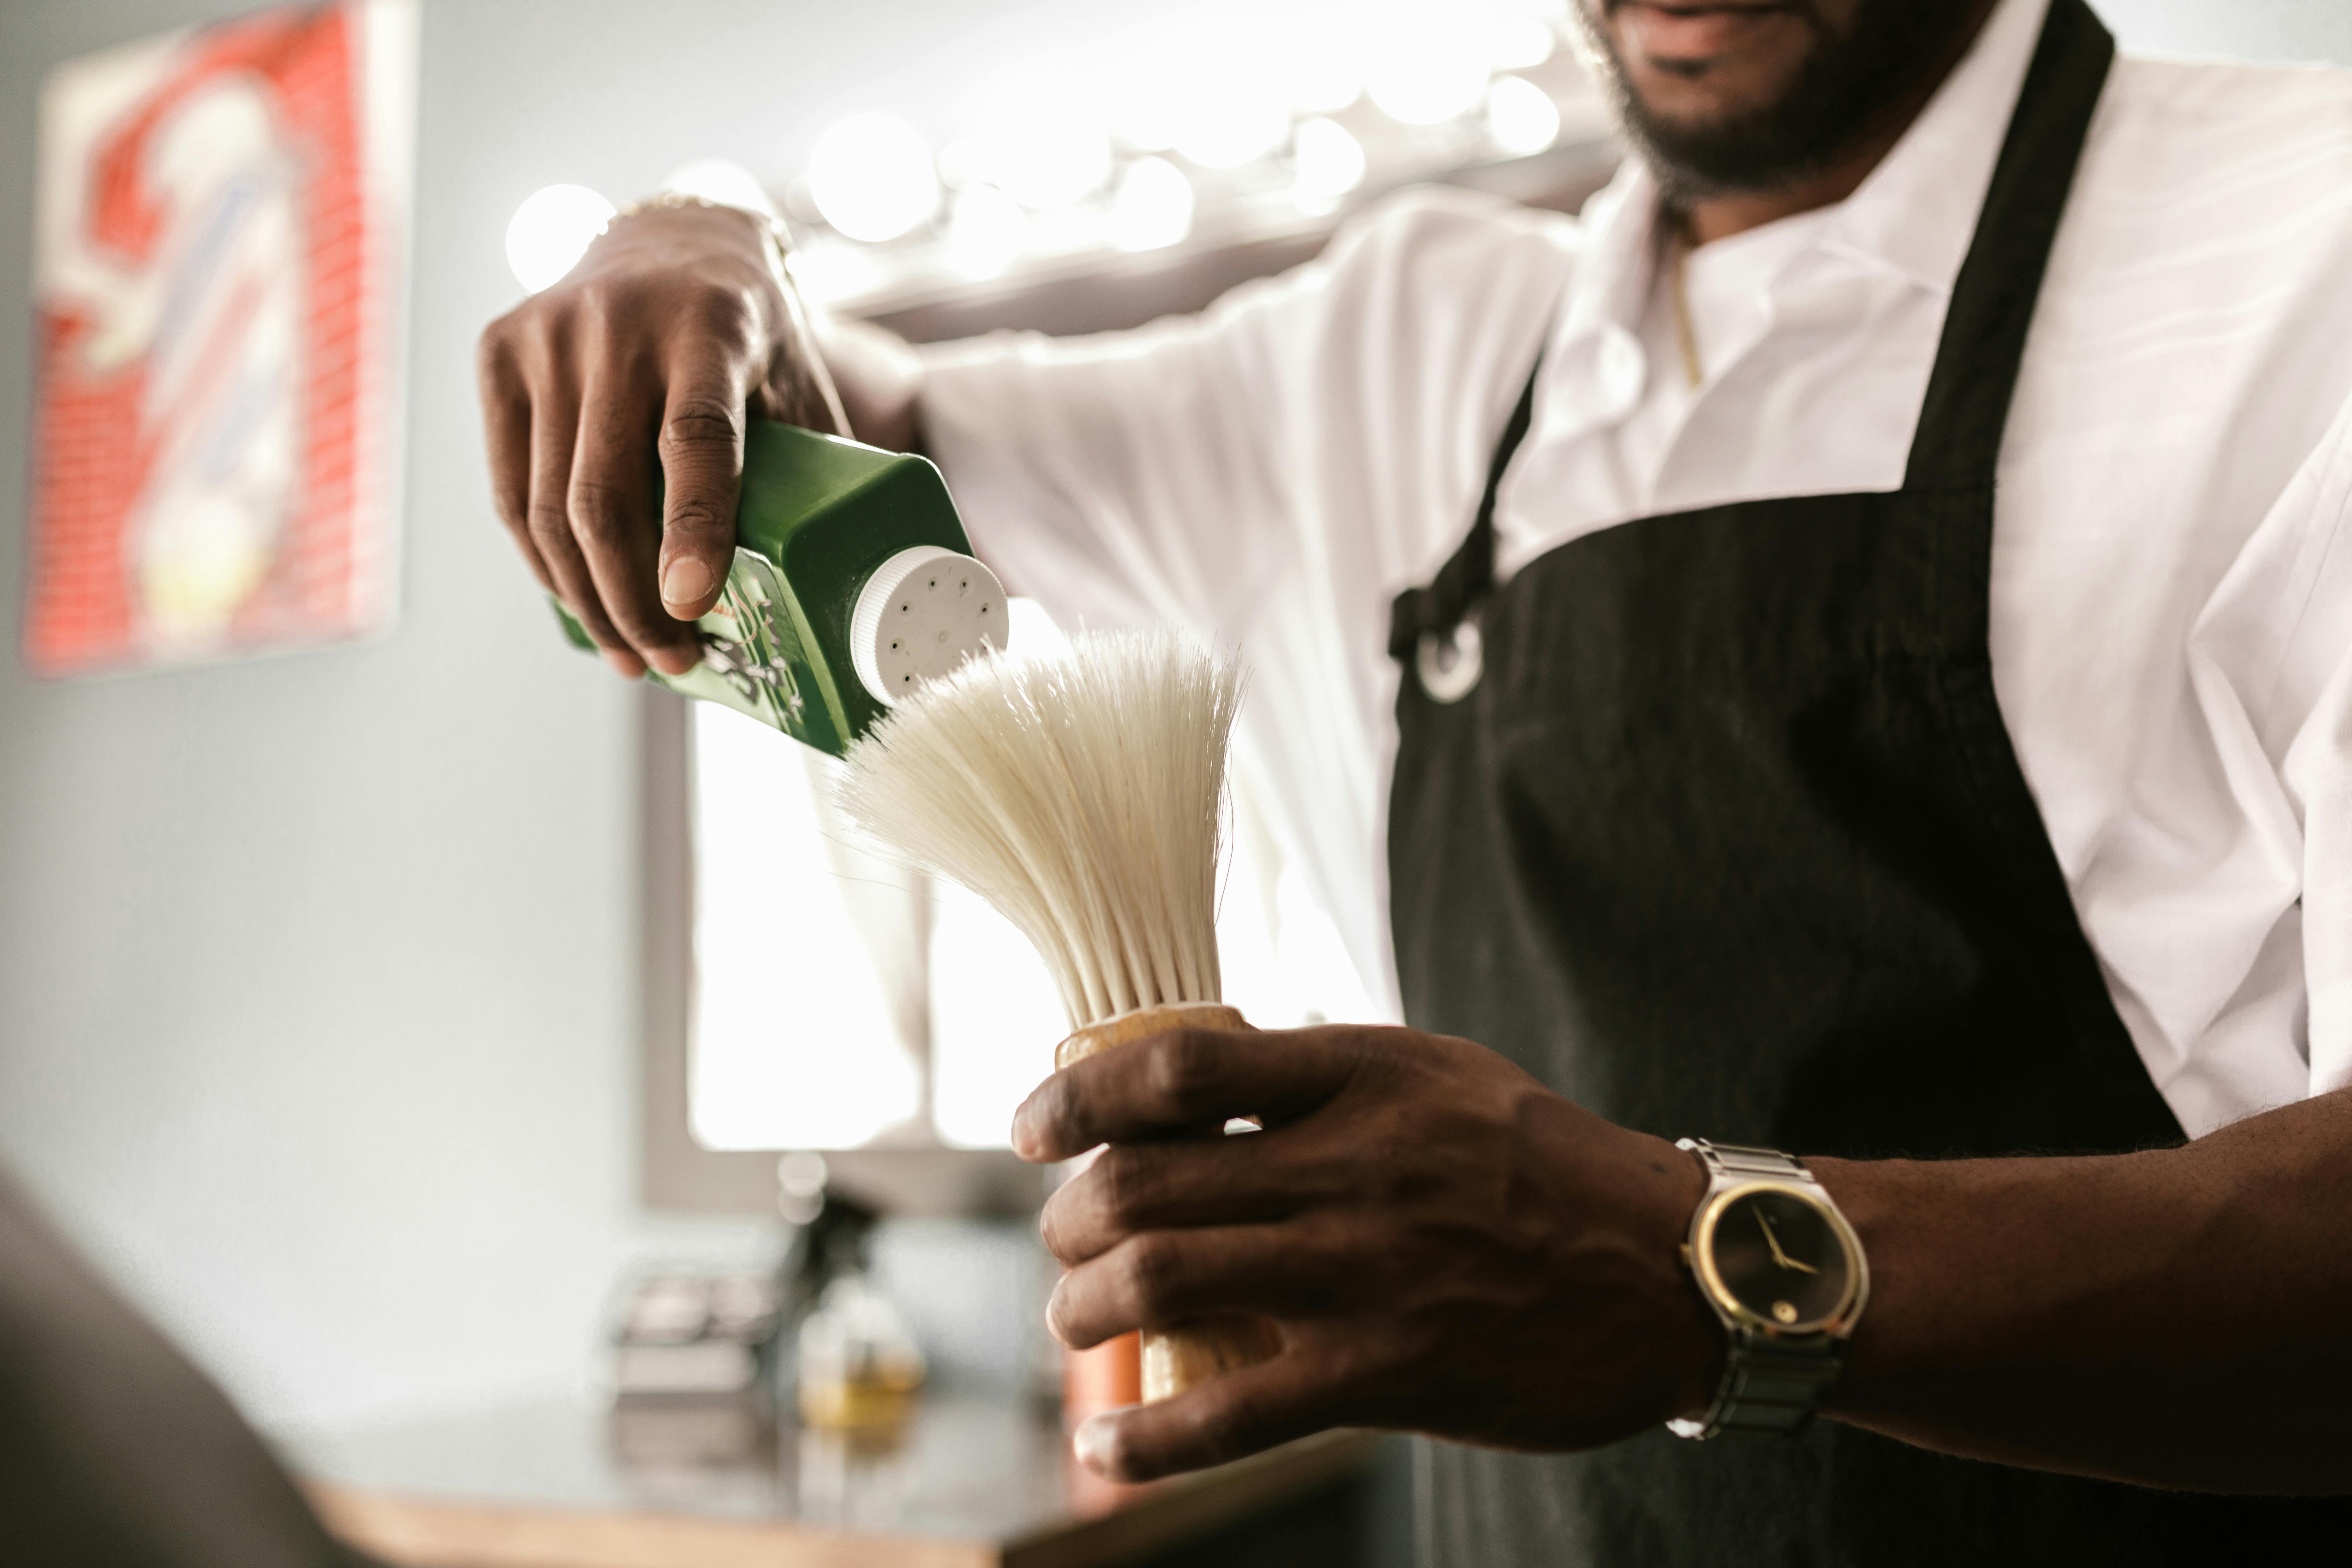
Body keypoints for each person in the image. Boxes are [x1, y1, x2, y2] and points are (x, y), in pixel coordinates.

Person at [476, 0, 2352, 1561]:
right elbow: (836, 430)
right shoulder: (1401, 349)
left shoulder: (2304, 249)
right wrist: (691, 241)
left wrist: (1691, 1262)